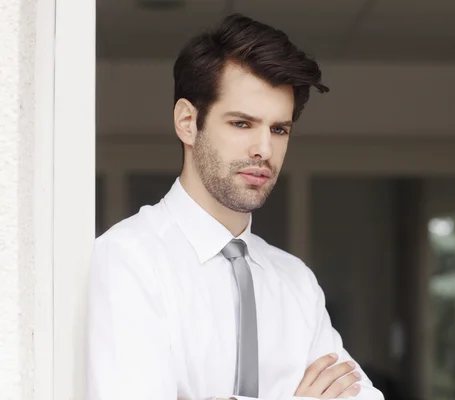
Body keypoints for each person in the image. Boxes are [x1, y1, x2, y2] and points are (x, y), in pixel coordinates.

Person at [86, 13, 384, 400]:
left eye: (279, 129)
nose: (264, 148)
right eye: (242, 124)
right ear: (188, 122)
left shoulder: (295, 281)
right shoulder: (129, 258)